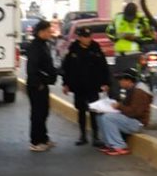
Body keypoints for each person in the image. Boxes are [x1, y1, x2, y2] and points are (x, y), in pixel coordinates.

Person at [61, 25, 111, 146]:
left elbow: (103, 67)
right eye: (85, 37)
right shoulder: (73, 49)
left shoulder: (95, 48)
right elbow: (66, 68)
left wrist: (106, 83)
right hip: (79, 86)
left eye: (89, 37)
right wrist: (65, 84)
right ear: (79, 37)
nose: (87, 39)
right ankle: (83, 136)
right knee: (81, 111)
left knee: (94, 110)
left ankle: (95, 137)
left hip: (93, 85)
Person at [98, 68, 153, 156]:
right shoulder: (131, 89)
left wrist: (119, 106)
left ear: (128, 80)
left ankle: (120, 146)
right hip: (130, 119)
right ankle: (109, 144)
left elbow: (135, 112)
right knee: (100, 116)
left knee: (108, 118)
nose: (119, 82)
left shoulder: (139, 92)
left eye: (121, 79)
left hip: (138, 123)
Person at [25, 18, 59, 151]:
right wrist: (39, 82)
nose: (49, 33)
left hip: (43, 84)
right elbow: (32, 68)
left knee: (44, 111)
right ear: (40, 32)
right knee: (37, 113)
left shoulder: (44, 44)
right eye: (47, 31)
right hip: (36, 85)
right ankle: (36, 141)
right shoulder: (35, 47)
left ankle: (43, 138)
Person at [106, 2, 153, 74]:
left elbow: (150, 37)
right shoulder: (118, 17)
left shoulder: (141, 20)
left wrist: (136, 39)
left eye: (131, 17)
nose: (129, 19)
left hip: (134, 56)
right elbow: (109, 32)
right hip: (119, 56)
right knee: (120, 81)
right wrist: (118, 37)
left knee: (134, 79)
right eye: (127, 17)